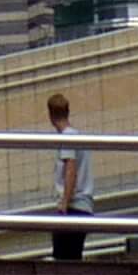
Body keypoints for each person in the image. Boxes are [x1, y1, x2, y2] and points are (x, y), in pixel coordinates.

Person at [44, 92, 93, 264]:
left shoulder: (67, 137)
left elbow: (70, 169)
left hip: (73, 207)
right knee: (74, 258)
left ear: (50, 115)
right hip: (84, 207)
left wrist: (64, 202)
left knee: (63, 260)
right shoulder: (77, 136)